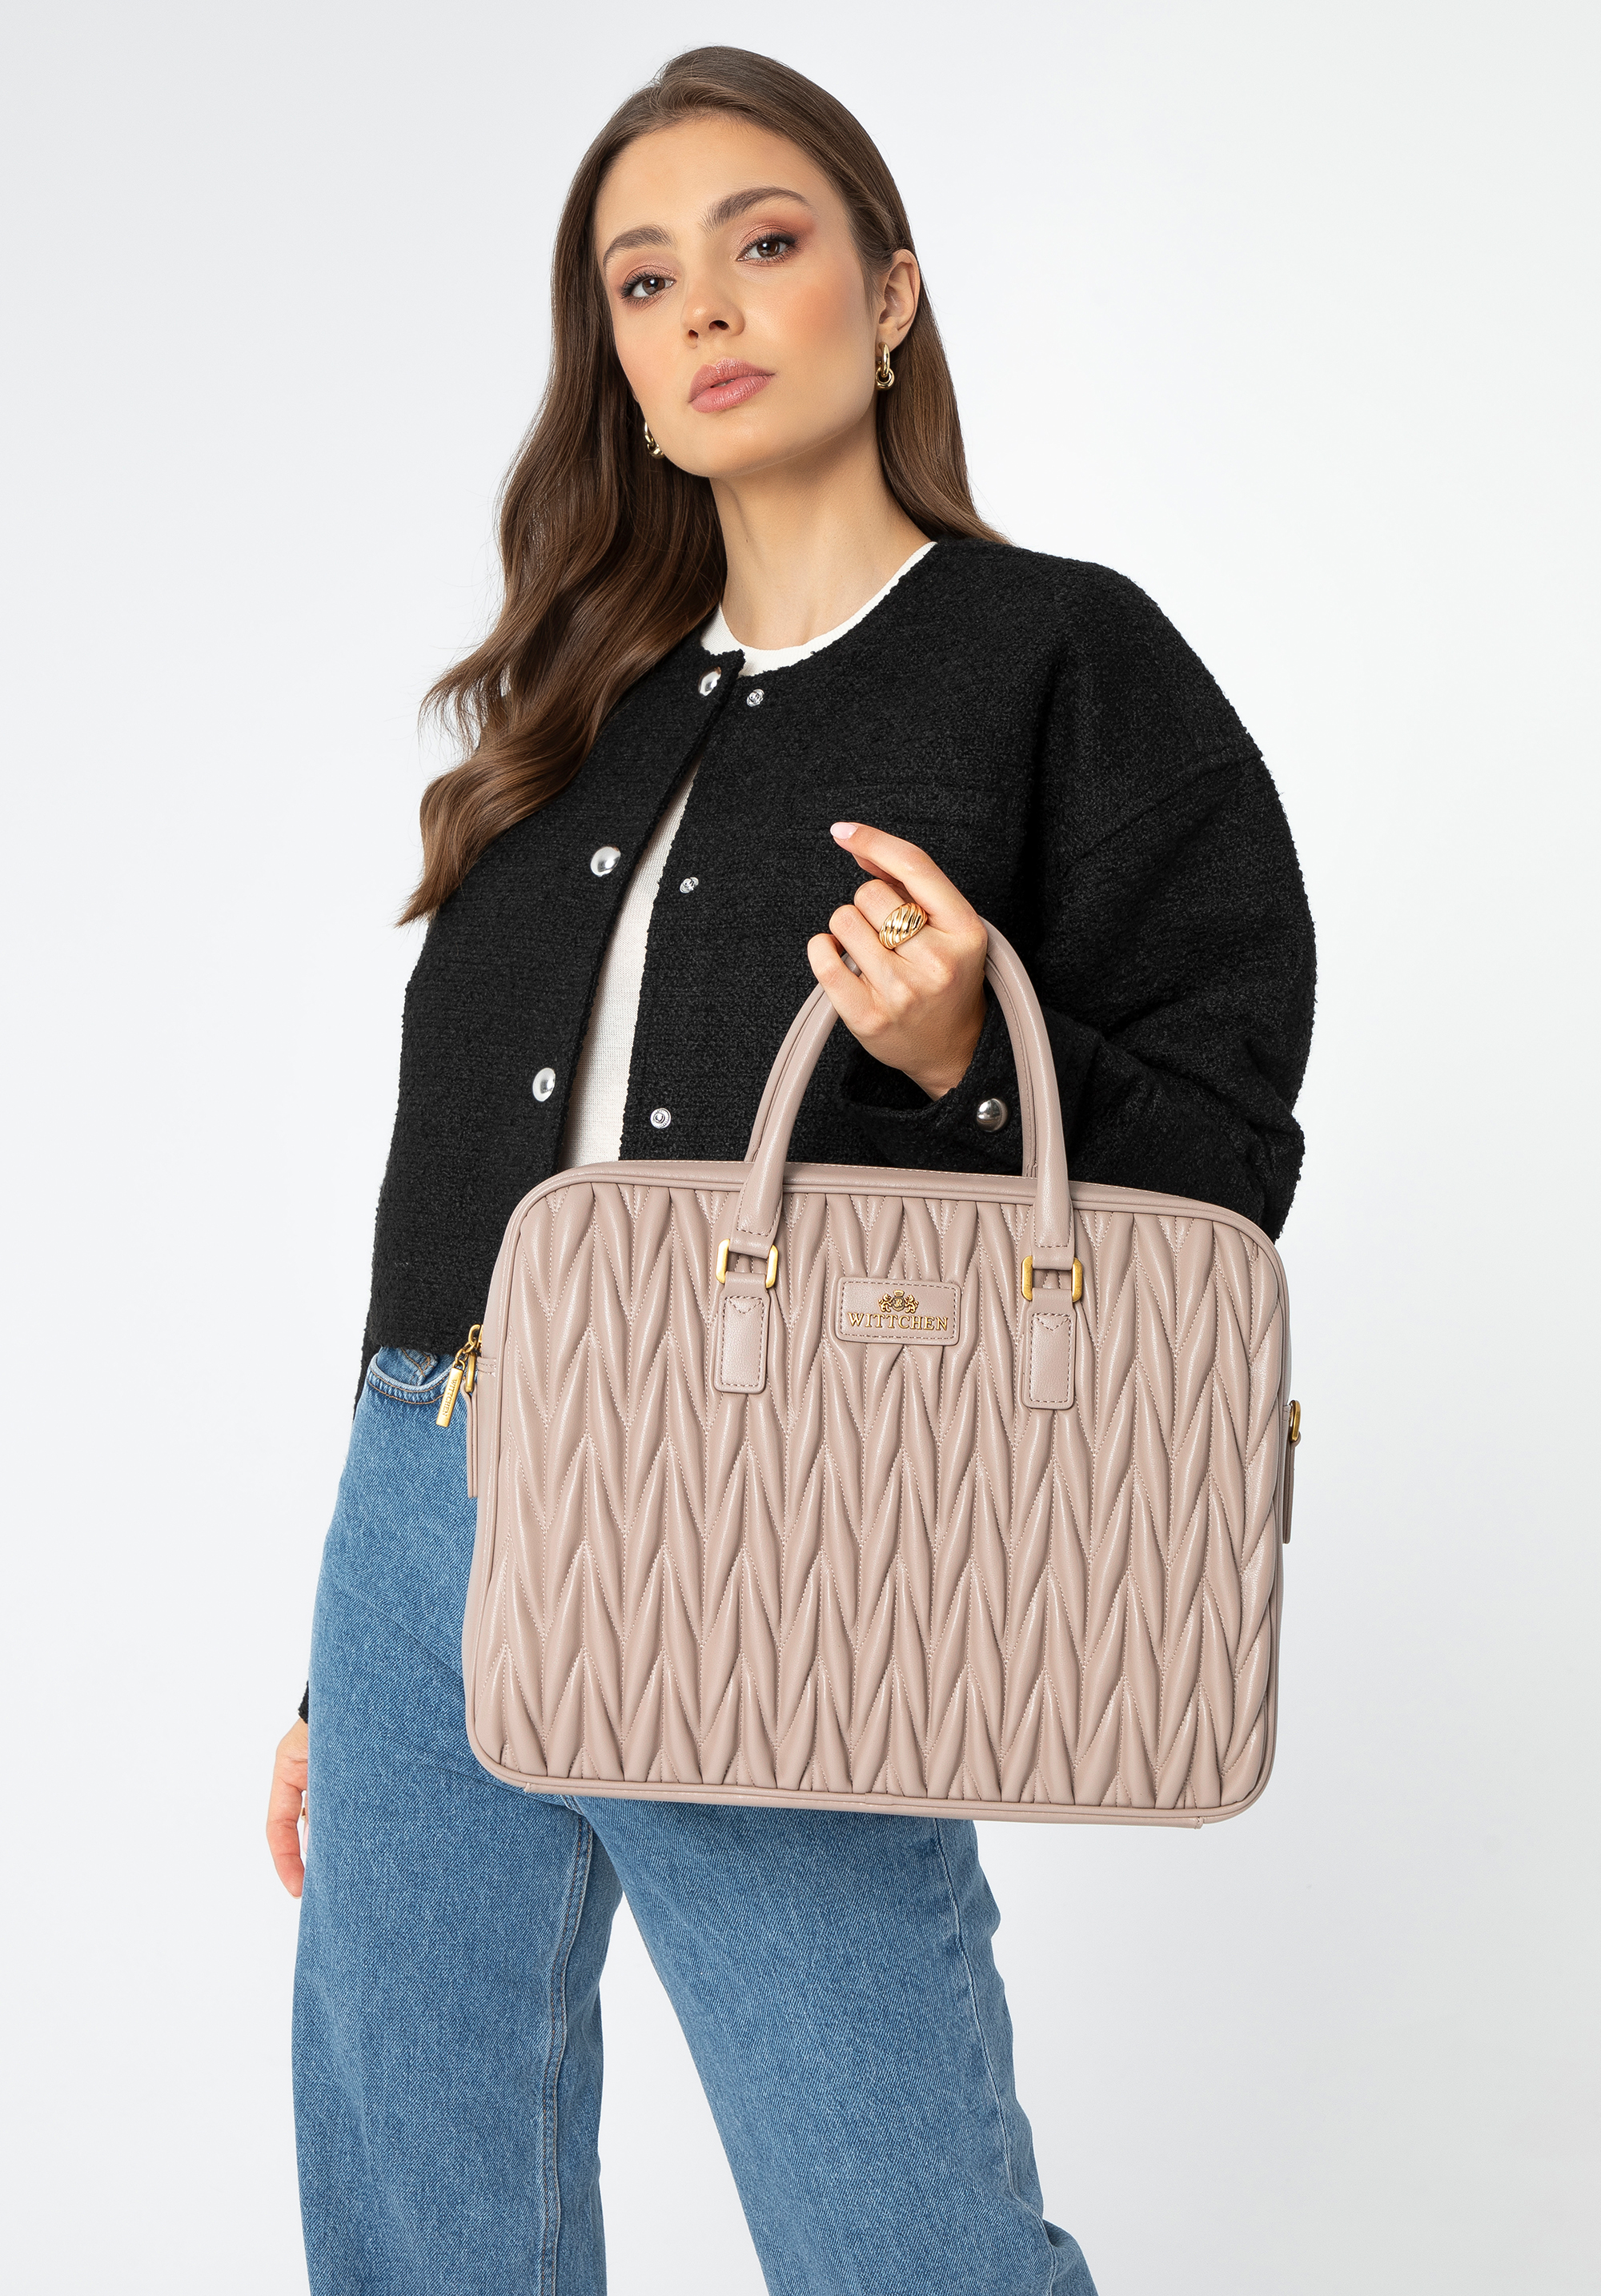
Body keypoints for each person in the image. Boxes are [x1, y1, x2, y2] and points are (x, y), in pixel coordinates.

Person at [267, 45, 1314, 2294]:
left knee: (900, 2238)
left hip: (779, 1502)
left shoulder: (1061, 658)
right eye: (643, 282)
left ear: (892, 292)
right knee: (418, 2224)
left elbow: (1225, 1161)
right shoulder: (574, 699)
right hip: (423, 1500)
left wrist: (963, 1061)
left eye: (764, 243)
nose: (708, 309)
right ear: (619, 365)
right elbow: (452, 1183)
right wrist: (344, 1657)